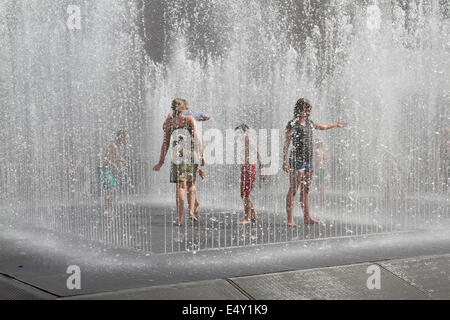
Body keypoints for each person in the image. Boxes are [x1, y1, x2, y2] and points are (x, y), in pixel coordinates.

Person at [283, 98, 347, 227]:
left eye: (308, 110)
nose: (307, 113)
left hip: (308, 161)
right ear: (299, 109)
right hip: (296, 160)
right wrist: (285, 161)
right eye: (305, 110)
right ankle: (290, 219)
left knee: (306, 190)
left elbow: (323, 127)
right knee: (294, 189)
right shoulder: (292, 124)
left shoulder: (310, 123)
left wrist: (335, 124)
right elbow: (286, 143)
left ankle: (307, 217)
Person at [153, 98, 205, 226]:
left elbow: (165, 143)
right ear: (185, 108)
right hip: (192, 154)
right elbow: (196, 139)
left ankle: (180, 219)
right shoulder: (189, 120)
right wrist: (202, 155)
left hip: (178, 155)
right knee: (191, 184)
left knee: (180, 187)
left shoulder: (170, 122)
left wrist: (161, 161)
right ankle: (191, 213)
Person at [162, 106, 211, 215]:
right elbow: (208, 117)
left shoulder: (173, 116)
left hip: (181, 151)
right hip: (192, 150)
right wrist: (200, 119)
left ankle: (194, 205)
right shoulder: (191, 113)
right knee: (191, 181)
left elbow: (164, 127)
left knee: (185, 182)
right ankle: (194, 205)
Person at [234, 124, 266, 225]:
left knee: (245, 194)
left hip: (249, 169)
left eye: (237, 133)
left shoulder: (247, 139)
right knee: (244, 194)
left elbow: (259, 155)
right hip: (246, 168)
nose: (236, 135)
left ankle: (247, 218)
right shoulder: (244, 141)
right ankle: (253, 215)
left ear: (243, 132)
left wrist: (262, 172)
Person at [97, 130, 130, 217]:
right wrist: (115, 166)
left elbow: (111, 157)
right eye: (126, 138)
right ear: (121, 138)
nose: (127, 140)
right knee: (112, 191)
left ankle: (107, 211)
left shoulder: (116, 146)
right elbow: (106, 159)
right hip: (104, 169)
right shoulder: (113, 146)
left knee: (112, 191)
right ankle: (106, 212)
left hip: (107, 169)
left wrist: (120, 160)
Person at [314, 138, 326, 204]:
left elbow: (318, 160)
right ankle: (322, 197)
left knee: (318, 183)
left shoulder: (317, 151)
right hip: (322, 168)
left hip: (318, 168)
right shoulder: (322, 151)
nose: (314, 143)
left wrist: (316, 168)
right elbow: (325, 158)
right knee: (320, 183)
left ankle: (321, 198)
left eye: (316, 142)